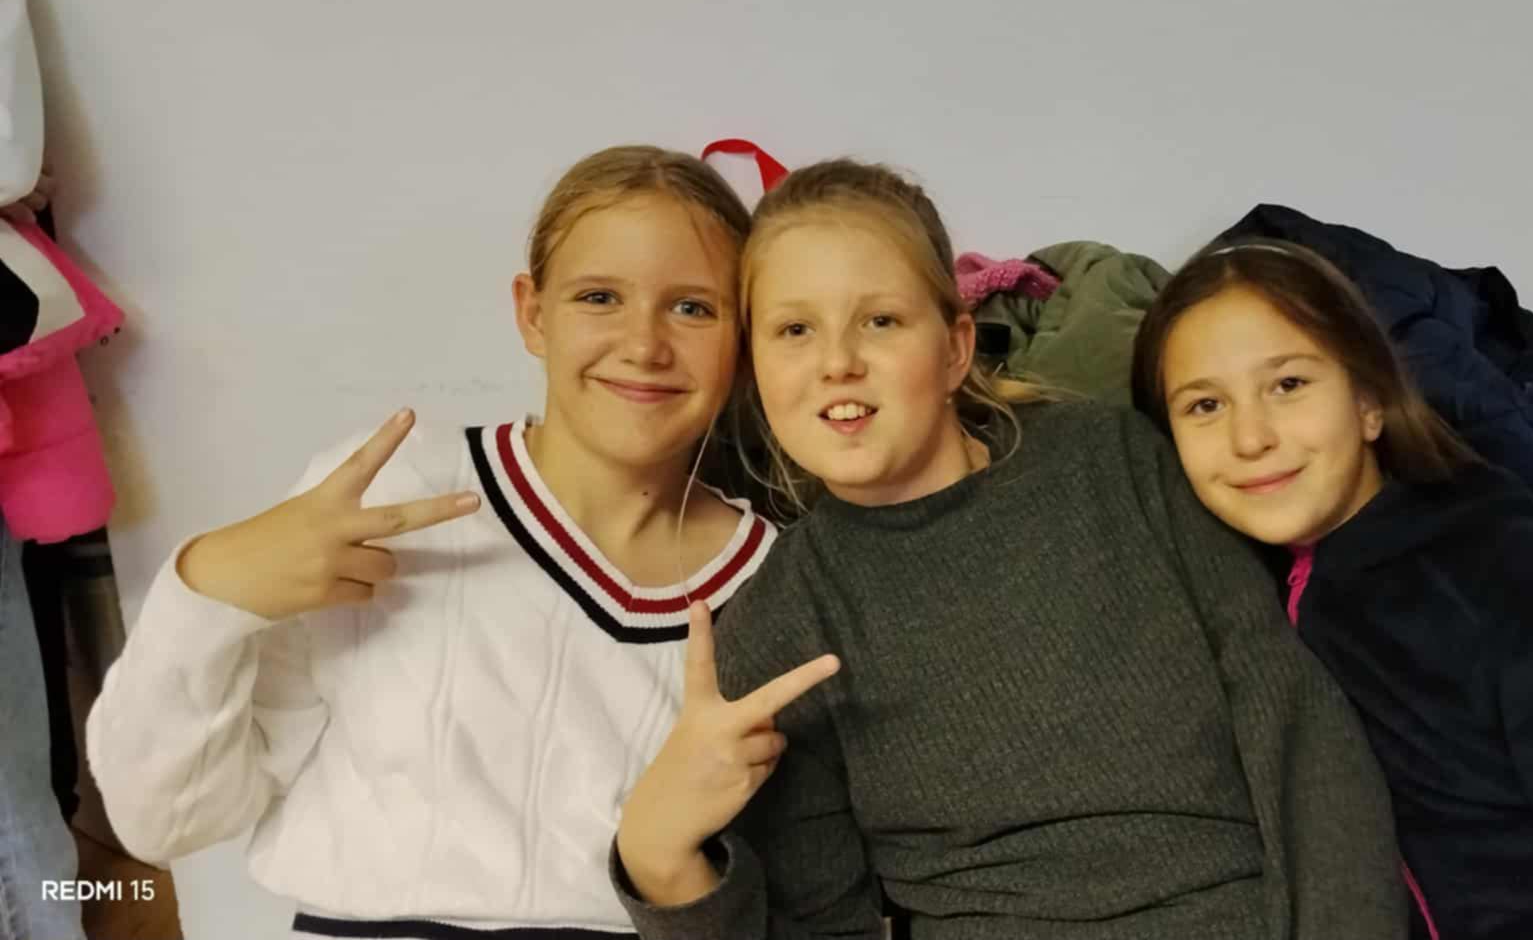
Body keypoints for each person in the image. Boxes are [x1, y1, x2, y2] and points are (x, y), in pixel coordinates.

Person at [610, 159, 1408, 940]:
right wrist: (659, 856)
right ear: (754, 370)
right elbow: (821, 923)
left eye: (880, 321)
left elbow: (1295, 729)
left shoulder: (1115, 460)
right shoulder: (779, 623)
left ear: (956, 348)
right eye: (794, 330)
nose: (837, 363)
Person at [85, 145, 777, 939]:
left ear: (744, 338)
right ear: (533, 314)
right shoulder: (389, 494)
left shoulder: (779, 579)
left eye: (693, 308)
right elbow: (165, 823)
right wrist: (206, 589)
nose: (645, 344)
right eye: (599, 297)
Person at [1129, 238, 1533, 939]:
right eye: (1205, 405)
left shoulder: (1531, 582)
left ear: (1369, 401)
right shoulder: (1243, 579)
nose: (1250, 437)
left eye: (1288, 384)